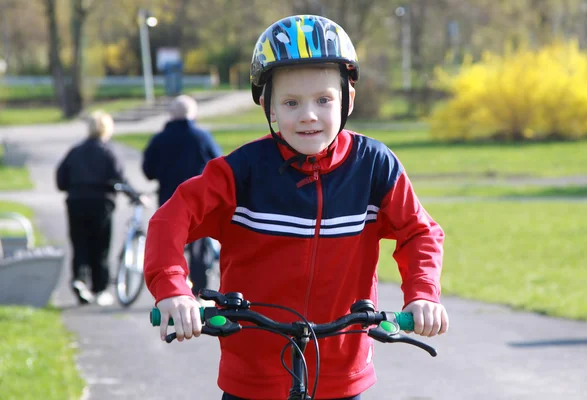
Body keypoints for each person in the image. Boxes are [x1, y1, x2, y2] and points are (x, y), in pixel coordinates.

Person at [144, 15, 449, 400]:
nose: (308, 115)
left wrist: (422, 294)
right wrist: (173, 289)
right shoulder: (242, 171)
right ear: (267, 106)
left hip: (342, 368)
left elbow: (419, 231)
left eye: (323, 99)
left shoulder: (374, 165)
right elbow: (172, 218)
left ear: (348, 99)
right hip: (252, 373)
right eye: (291, 102)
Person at [141, 95, 222, 297]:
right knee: (198, 246)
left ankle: (173, 287)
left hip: (168, 199)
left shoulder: (159, 140)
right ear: (193, 114)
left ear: (171, 114)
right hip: (200, 201)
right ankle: (201, 292)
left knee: (171, 244)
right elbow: (219, 165)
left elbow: (148, 170)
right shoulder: (202, 137)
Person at [56, 110, 126, 306]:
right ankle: (100, 287)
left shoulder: (75, 151)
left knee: (80, 245)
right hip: (101, 203)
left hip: (76, 201)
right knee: (101, 247)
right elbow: (118, 178)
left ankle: (80, 280)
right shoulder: (108, 152)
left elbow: (61, 180)